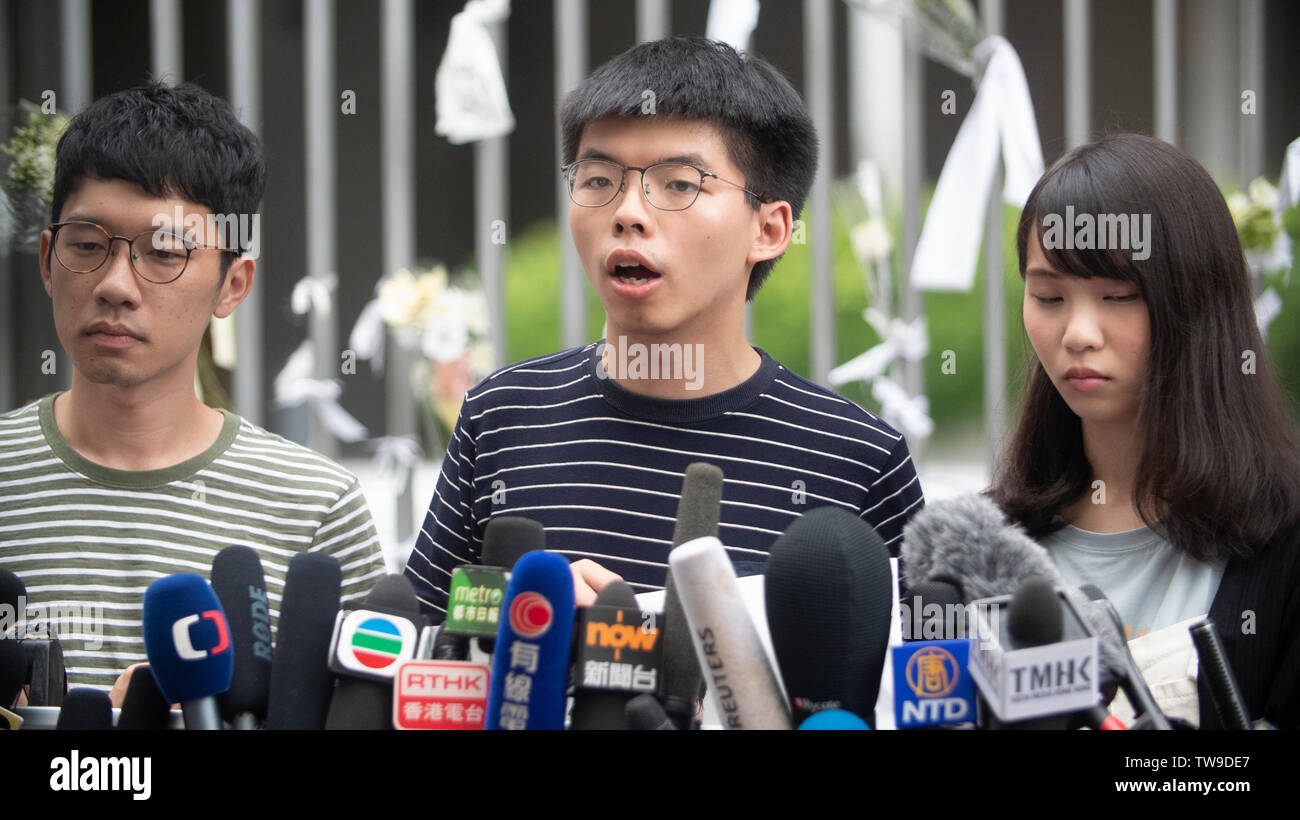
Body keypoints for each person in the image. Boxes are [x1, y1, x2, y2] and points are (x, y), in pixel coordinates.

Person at [404, 37, 924, 617]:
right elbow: (426, 655)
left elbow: (919, 682)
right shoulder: (502, 417)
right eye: (599, 180)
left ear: (770, 229)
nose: (628, 212)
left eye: (679, 184)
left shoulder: (857, 460)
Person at [0, 82, 386, 697]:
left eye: (165, 252)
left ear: (233, 284)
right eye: (87, 246)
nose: (117, 285)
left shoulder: (315, 510)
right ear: (47, 259)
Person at [991, 133, 1300, 729]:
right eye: (1049, 296)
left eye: (1119, 296)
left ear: (1200, 303)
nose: (1079, 333)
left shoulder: (1285, 546)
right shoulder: (985, 550)